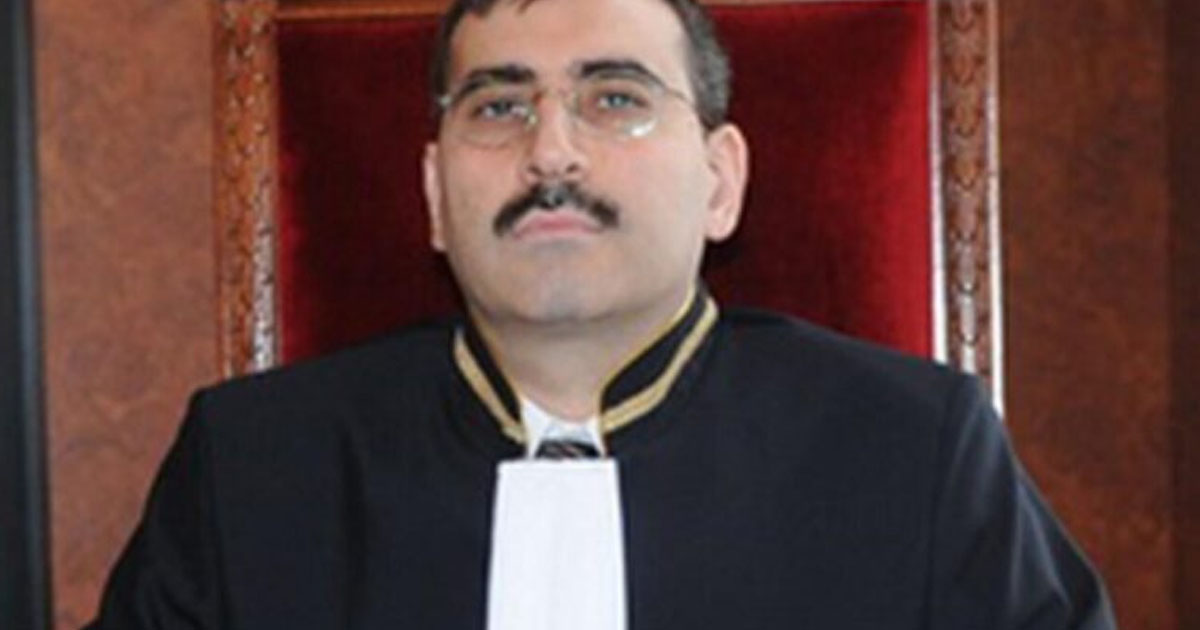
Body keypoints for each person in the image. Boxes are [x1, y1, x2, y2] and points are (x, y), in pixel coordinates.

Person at [87, 0, 1117, 628]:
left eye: (615, 98)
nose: (552, 152)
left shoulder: (916, 452)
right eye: (499, 105)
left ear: (720, 181)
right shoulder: (253, 467)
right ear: (437, 195)